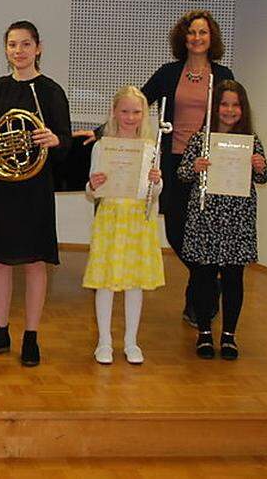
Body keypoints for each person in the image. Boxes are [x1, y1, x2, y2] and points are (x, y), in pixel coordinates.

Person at [76, 11, 235, 328]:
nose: (197, 38)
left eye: (203, 33)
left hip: (207, 162)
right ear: (183, 38)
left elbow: (232, 113)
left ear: (212, 38)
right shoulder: (169, 72)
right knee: (177, 231)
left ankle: (199, 298)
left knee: (202, 232)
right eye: (191, 32)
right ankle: (206, 281)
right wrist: (98, 132)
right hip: (175, 160)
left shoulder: (223, 73)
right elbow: (134, 103)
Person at [0, 21, 71, 367]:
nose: (19, 51)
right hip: (3, 184)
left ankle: (31, 336)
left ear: (38, 48)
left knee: (35, 263)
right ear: (6, 49)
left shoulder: (51, 91)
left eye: (26, 44)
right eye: (12, 45)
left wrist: (54, 140)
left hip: (34, 186)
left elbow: (65, 143)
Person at [177, 80, 267, 360]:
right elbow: (182, 174)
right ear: (214, 107)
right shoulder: (200, 139)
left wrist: (260, 167)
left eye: (235, 105)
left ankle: (229, 335)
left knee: (233, 278)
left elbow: (264, 177)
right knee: (203, 276)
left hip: (237, 218)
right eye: (224, 104)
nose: (230, 110)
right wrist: (194, 167)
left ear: (243, 109)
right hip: (206, 215)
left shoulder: (252, 140)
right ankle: (204, 332)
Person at [83, 87, 164, 365]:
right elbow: (92, 189)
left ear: (144, 115)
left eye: (136, 112)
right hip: (110, 218)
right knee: (105, 282)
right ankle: (104, 341)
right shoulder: (102, 146)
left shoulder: (151, 148)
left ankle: (131, 341)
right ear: (115, 112)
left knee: (134, 284)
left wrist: (157, 180)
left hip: (138, 221)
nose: (130, 117)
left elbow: (154, 191)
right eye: (125, 111)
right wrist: (93, 185)